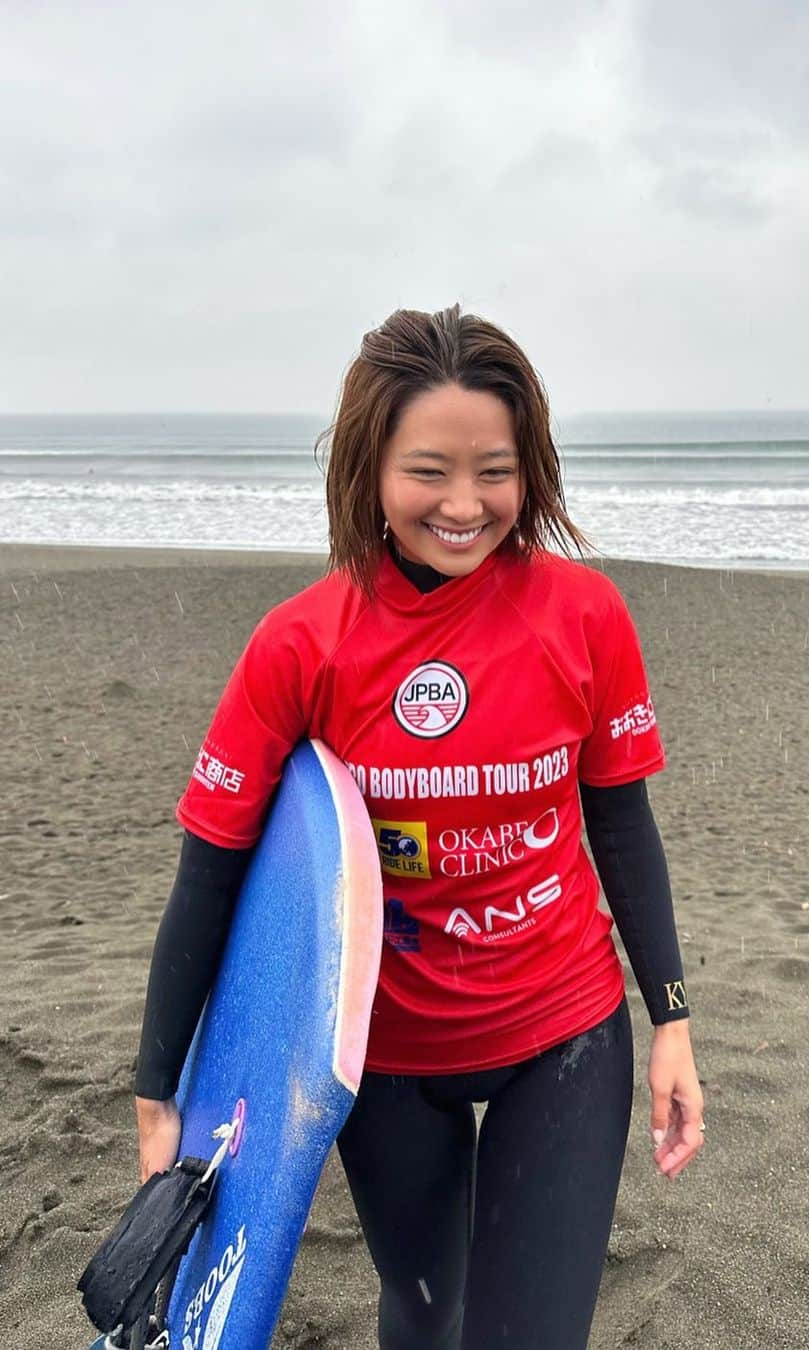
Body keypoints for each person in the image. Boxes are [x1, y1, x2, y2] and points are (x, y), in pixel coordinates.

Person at [133, 305, 705, 1349]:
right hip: (383, 1051)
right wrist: (157, 1088)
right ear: (369, 468)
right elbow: (212, 871)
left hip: (563, 1032)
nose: (463, 504)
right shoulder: (301, 645)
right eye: (428, 470)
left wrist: (671, 1019)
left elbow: (621, 823)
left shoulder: (584, 617)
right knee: (425, 1308)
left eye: (495, 469)